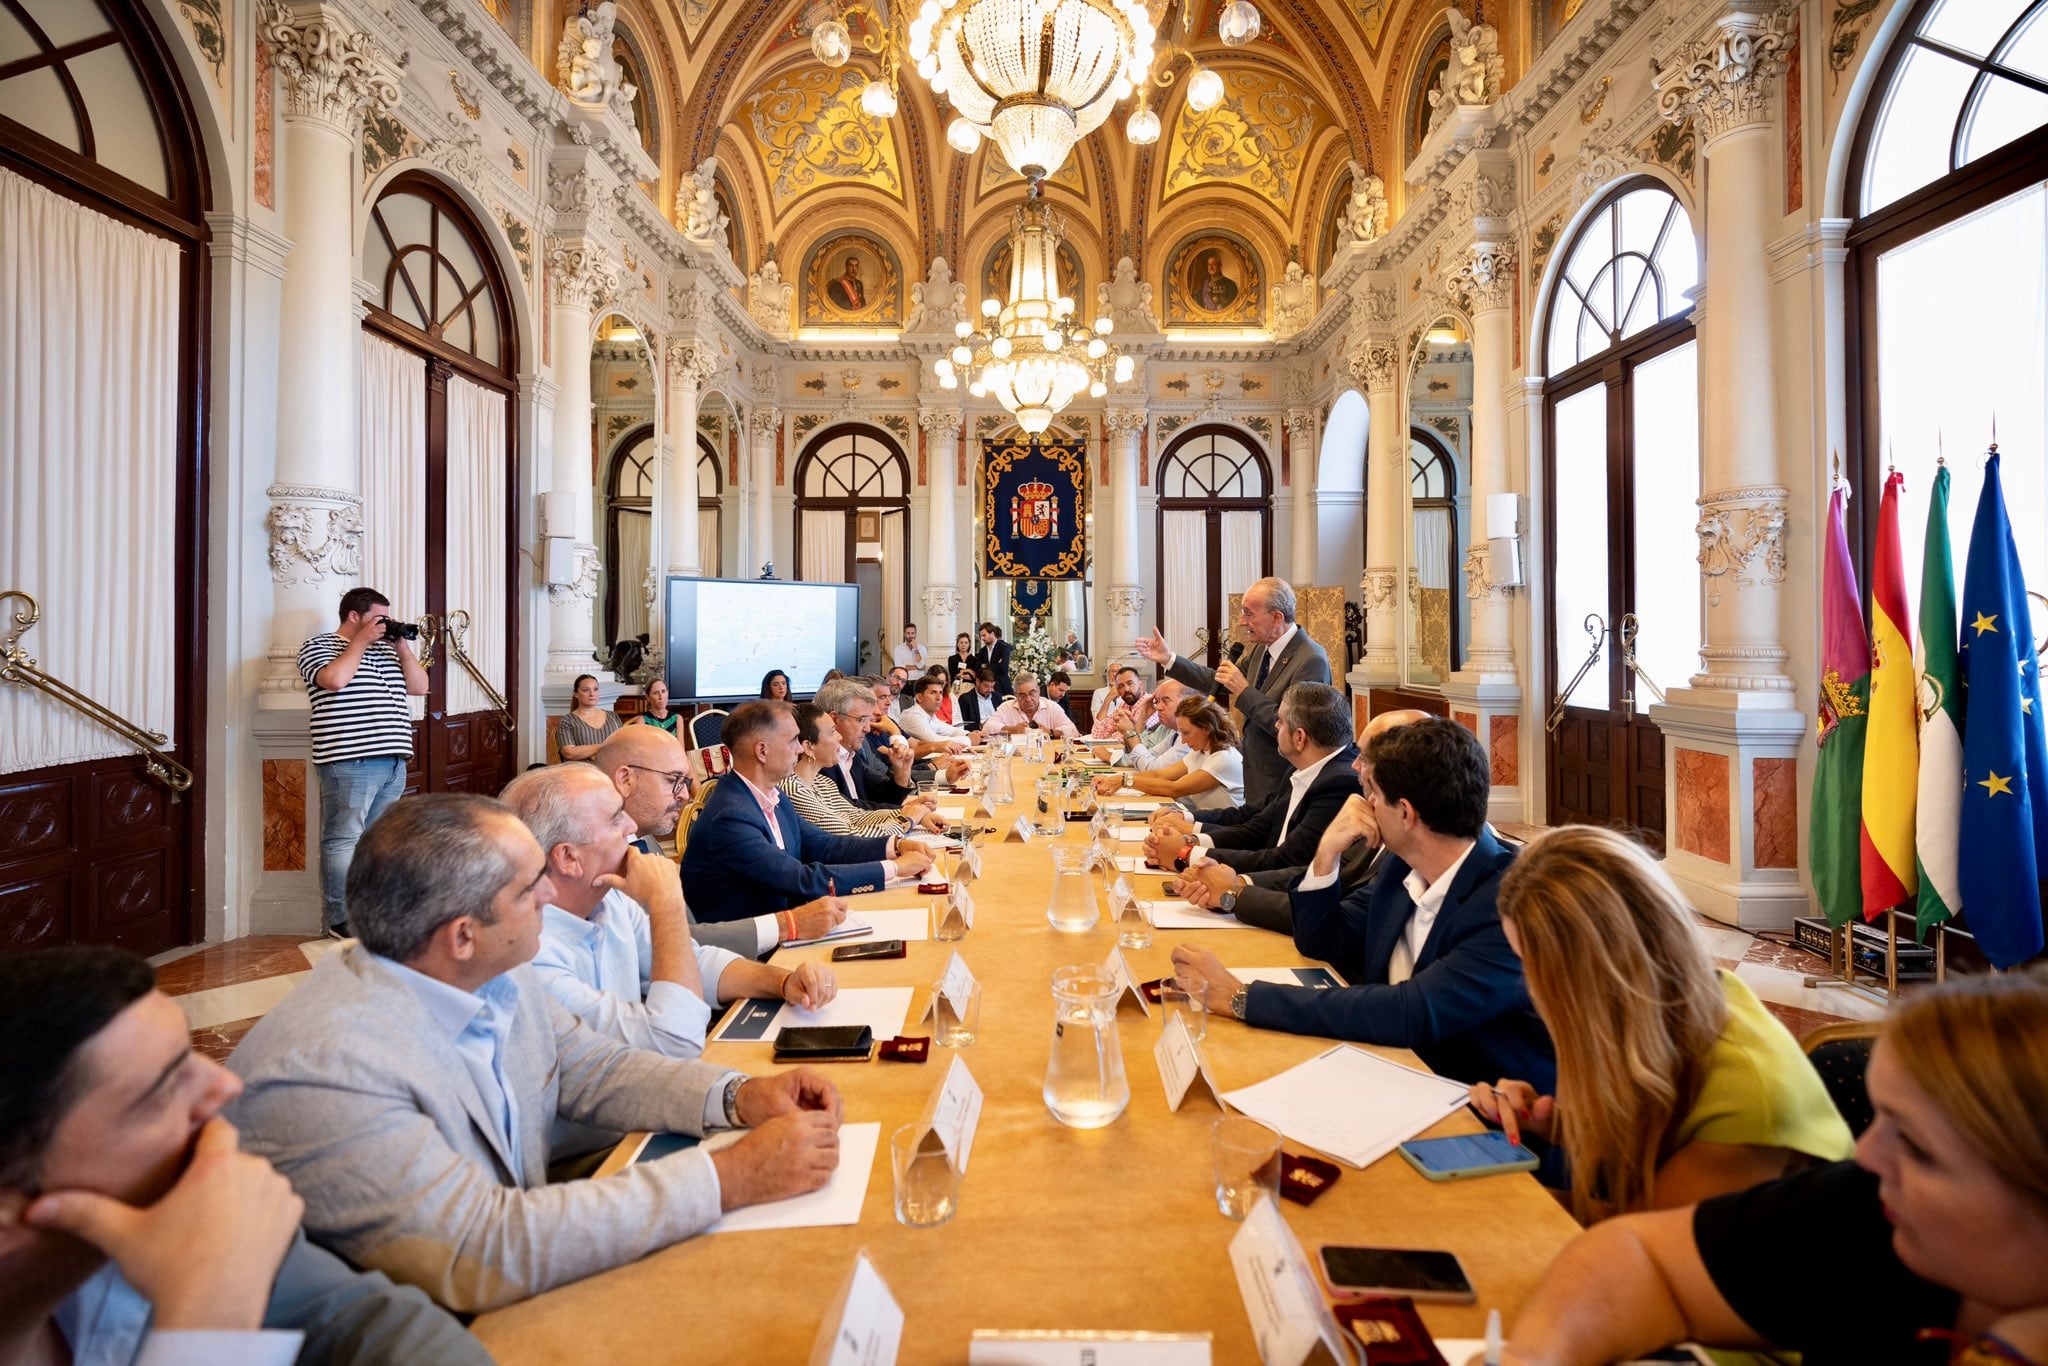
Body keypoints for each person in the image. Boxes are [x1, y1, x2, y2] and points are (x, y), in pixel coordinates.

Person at [229, 793, 847, 1314]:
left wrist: (736, 1095)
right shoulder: (330, 1072)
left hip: (516, 1269)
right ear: (461, 935)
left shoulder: (489, 968)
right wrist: (730, 1177)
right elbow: (481, 1247)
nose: (551, 896)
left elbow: (592, 1067)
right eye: (530, 888)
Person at [1500, 967, 2048, 1366]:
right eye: (1881, 1119)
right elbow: (1637, 1254)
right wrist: (1534, 1356)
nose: (1866, 1154)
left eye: (1920, 1149)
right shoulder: (1869, 1212)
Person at [0, 947, 491, 1366]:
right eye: (164, 1087)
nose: (228, 1084)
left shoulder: (180, 1210)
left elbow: (373, 1322)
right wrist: (208, 1326)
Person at [1465, 824, 1853, 1218]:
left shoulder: (1746, 1095)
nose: (1531, 990)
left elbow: (1639, 1239)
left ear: (1590, 974)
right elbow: (1658, 1135)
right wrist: (1554, 1124)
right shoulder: (1688, 1000)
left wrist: (1490, 1202)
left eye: (1534, 967)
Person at [1169, 715, 1556, 1092]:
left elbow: (1409, 1011)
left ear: (1405, 813)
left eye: (1371, 792)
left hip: (1477, 1109)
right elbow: (1323, 940)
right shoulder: (1402, 867)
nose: (1363, 803)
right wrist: (1327, 856)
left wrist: (1242, 997)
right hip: (1386, 1069)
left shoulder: (1509, 900)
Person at [507, 764, 835, 1062]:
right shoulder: (531, 956)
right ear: (568, 858)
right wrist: (666, 901)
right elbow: (674, 1041)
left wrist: (782, 982)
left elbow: (695, 961)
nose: (631, 825)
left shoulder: (609, 901)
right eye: (616, 817)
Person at [588, 725, 845, 958]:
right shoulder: (596, 859)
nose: (685, 794)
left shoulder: (643, 842)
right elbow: (678, 946)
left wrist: (781, 983)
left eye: (685, 781)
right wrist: (788, 925)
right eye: (673, 780)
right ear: (625, 779)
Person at [1174, 709, 1431, 935]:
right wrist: (1232, 883)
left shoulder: (1343, 786)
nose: (1355, 766)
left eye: (1364, 757)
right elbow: (1256, 822)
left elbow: (1293, 864)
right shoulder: (1301, 772)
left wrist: (1230, 889)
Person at [680, 700, 934, 922]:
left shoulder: (771, 794)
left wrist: (895, 846)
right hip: (756, 952)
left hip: (794, 924)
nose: (801, 749)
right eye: (792, 741)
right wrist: (895, 868)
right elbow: (801, 879)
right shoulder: (731, 815)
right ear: (762, 751)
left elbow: (824, 845)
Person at [300, 586, 430, 938]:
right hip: (350, 759)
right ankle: (341, 920)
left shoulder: (385, 653)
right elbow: (334, 680)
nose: (384, 626)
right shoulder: (319, 646)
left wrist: (401, 647)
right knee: (344, 839)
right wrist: (359, 642)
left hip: (393, 760)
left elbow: (420, 687)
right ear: (354, 617)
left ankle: (372, 911)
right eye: (379, 619)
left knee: (376, 840)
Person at [1137, 576, 1331, 807]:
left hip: (1284, 778)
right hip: (1256, 774)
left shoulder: (1310, 659)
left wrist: (1244, 690)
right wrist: (1170, 660)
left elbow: (1296, 729)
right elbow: (1218, 680)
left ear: (1276, 617)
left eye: (1248, 613)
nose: (1241, 621)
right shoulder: (1262, 650)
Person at [1141, 682, 1360, 875]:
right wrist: (1191, 833)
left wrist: (1187, 853)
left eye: (1281, 722)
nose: (1275, 726)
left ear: (1299, 737)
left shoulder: (1339, 784)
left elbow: (1285, 860)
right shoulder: (1299, 769)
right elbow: (1256, 823)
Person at [782, 702, 949, 839]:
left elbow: (857, 816)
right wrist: (907, 819)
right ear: (808, 747)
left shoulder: (821, 781)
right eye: (832, 732)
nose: (839, 737)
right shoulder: (793, 789)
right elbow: (850, 835)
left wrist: (910, 813)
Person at [1101, 697, 1244, 811]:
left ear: (1206, 728)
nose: (1182, 739)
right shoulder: (1201, 751)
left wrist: (1124, 781)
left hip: (1227, 830)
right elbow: (1160, 775)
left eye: (1186, 732)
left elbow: (1174, 789)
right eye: (1181, 733)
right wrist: (1116, 778)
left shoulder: (1223, 758)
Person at [813, 678, 920, 809]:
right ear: (834, 719)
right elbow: (849, 811)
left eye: (868, 720)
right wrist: (906, 813)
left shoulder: (851, 755)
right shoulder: (820, 763)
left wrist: (901, 774)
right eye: (861, 720)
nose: (867, 729)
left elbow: (883, 796)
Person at [979, 674, 1081, 738]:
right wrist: (1012, 730)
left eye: (1032, 693)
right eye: (1022, 695)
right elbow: (987, 728)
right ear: (1016, 695)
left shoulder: (1051, 707)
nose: (1028, 699)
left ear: (1038, 691)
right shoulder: (1007, 707)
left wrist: (1050, 732)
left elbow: (1073, 730)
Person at [896, 672, 973, 750]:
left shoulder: (930, 715)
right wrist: (968, 739)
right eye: (933, 693)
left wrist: (968, 734)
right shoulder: (913, 716)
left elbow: (951, 731)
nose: (939, 697)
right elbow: (935, 741)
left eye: (940, 692)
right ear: (919, 697)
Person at [556, 674, 621, 761]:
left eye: (595, 689)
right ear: (576, 694)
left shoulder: (612, 716)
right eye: (586, 690)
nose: (592, 694)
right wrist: (604, 746)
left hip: (612, 769)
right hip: (583, 771)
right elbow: (569, 753)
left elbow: (622, 744)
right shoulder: (567, 721)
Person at [1090, 666, 1149, 739]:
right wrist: (1108, 699)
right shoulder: (1123, 706)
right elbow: (1097, 735)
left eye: (1130, 683)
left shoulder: (1149, 703)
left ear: (1140, 685)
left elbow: (1133, 737)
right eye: (1121, 686)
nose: (1126, 689)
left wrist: (1113, 735)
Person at [958, 666, 1001, 733]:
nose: (990, 690)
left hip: (997, 733)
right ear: (977, 682)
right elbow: (962, 725)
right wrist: (981, 726)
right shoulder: (965, 699)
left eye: (992, 686)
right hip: (978, 734)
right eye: (986, 686)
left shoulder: (997, 697)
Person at [975, 621, 1013, 696]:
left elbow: (1003, 667)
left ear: (992, 633)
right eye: (981, 636)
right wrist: (995, 665)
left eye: (984, 635)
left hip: (1002, 687)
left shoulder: (1004, 647)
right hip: (986, 689)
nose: (982, 638)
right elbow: (977, 667)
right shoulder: (982, 651)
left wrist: (985, 665)